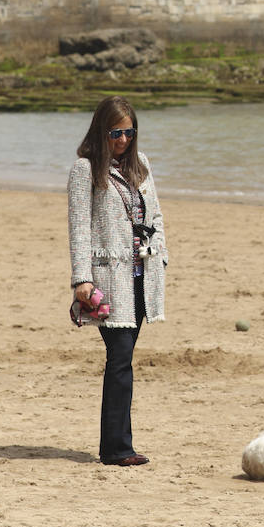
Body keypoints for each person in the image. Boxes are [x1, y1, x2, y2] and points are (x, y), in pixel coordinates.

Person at [68, 96, 168, 467]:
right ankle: (116, 449)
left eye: (129, 132)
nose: (123, 140)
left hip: (143, 276)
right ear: (101, 131)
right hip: (109, 280)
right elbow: (79, 227)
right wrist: (81, 279)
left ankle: (118, 445)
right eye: (115, 133)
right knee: (120, 359)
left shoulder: (141, 165)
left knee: (123, 359)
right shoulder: (85, 170)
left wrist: (159, 253)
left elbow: (155, 215)